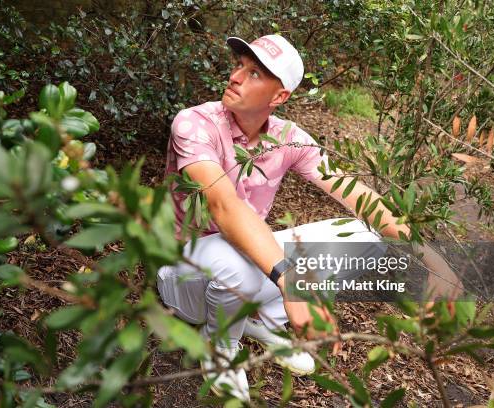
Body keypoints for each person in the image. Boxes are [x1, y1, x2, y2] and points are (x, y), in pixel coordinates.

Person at [157, 34, 462, 402]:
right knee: (237, 262)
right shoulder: (194, 123)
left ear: (279, 97)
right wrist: (291, 281)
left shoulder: (289, 138)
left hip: (244, 262)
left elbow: (354, 192)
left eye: (254, 74)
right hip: (184, 274)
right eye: (239, 66)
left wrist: (433, 257)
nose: (236, 76)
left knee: (361, 232)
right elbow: (224, 207)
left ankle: (260, 320)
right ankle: (219, 344)